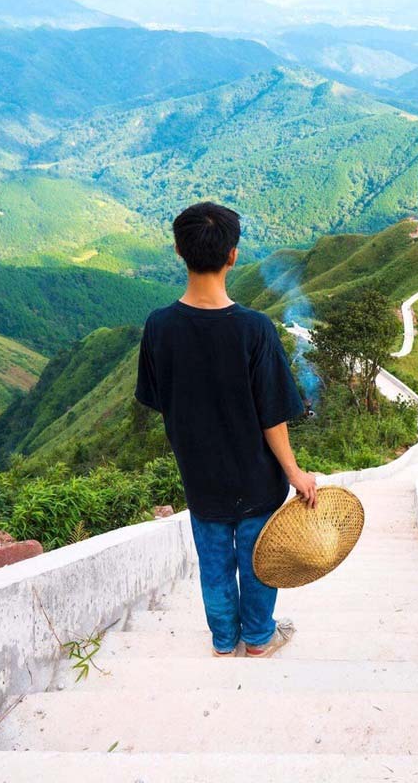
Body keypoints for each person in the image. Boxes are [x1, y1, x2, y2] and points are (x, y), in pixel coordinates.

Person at [135, 202, 317, 659]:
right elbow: (272, 413)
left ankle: (222, 639)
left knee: (214, 563)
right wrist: (295, 472)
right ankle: (258, 638)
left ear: (179, 250)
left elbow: (160, 399)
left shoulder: (159, 326)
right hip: (256, 475)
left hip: (200, 477)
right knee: (260, 560)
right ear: (233, 255)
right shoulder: (254, 329)